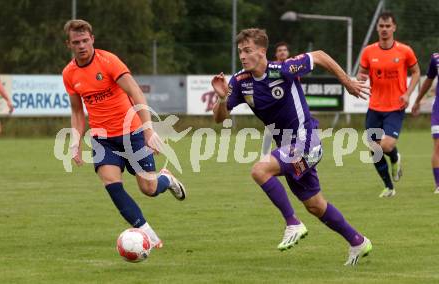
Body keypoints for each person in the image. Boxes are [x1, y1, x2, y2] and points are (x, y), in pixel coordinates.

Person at [211, 28, 371, 266]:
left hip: (306, 141)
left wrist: (347, 82)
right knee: (316, 206)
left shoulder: (283, 69)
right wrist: (222, 99)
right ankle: (358, 241)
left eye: (248, 51)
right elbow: (220, 119)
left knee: (260, 170)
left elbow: (319, 55)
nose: (242, 56)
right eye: (240, 52)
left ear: (262, 51)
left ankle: (292, 223)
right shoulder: (240, 82)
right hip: (287, 146)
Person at [62, 19, 186, 251]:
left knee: (148, 189)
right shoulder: (69, 74)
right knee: (111, 182)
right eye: (76, 42)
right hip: (102, 138)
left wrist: (149, 130)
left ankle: (166, 179)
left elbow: (136, 92)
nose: (81, 46)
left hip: (133, 132)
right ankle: (148, 235)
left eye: (85, 40)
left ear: (92, 40)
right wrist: (75, 141)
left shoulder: (108, 61)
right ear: (68, 44)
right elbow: (77, 111)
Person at [357, 12, 420, 198]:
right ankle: (389, 187)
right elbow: (362, 72)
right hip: (375, 107)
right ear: (377, 28)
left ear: (394, 28)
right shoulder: (369, 51)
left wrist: (408, 94)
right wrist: (361, 78)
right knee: (374, 149)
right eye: (381, 26)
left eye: (387, 26)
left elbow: (416, 72)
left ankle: (395, 158)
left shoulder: (405, 51)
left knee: (386, 146)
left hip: (395, 107)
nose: (384, 29)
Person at [412, 52, 439, 194]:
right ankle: (438, 185)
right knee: (438, 146)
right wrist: (417, 101)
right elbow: (429, 80)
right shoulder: (436, 58)